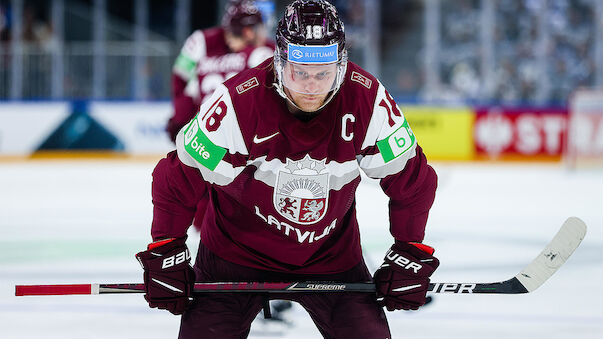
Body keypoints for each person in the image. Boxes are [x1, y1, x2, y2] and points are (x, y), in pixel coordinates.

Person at [136, 0, 440, 337]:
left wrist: (409, 250)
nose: (311, 86)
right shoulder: (239, 102)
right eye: (301, 72)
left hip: (331, 259)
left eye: (323, 73)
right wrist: (166, 248)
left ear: (340, 65)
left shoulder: (367, 100)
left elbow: (413, 180)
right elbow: (178, 176)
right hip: (232, 257)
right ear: (280, 62)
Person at [167, 0, 275, 142]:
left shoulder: (200, 41)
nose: (263, 34)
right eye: (260, 29)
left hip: (204, 135)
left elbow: (181, 80)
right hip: (242, 137)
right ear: (248, 32)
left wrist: (179, 122)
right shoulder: (263, 53)